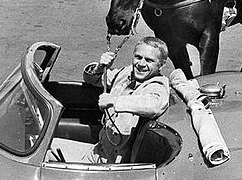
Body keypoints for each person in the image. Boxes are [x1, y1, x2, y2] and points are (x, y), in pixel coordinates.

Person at [50, 36, 170, 164]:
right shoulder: (126, 73)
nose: (141, 64)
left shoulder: (158, 85)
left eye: (149, 60)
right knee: (46, 146)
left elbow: (154, 104)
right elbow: (92, 79)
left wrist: (114, 101)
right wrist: (100, 67)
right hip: (98, 151)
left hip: (113, 164)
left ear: (161, 65)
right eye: (138, 57)